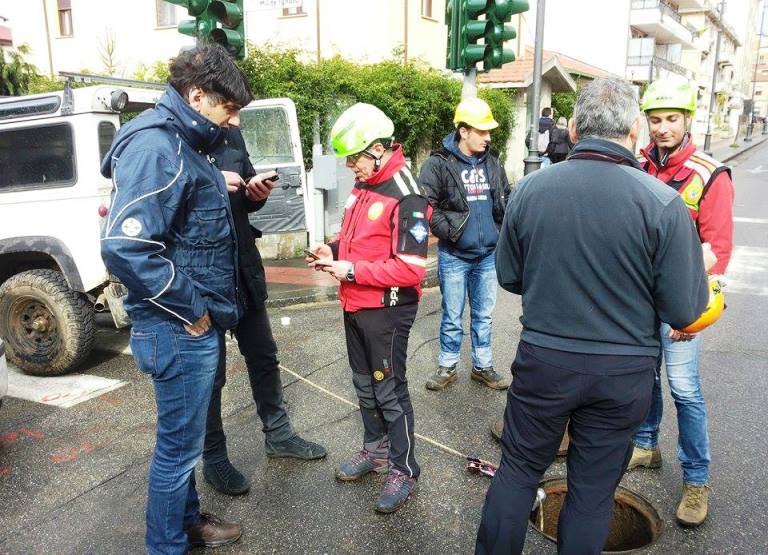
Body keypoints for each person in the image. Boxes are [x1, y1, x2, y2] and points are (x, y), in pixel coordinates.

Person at [476, 77, 710, 555]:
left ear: (576, 128)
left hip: (546, 359)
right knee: (592, 492)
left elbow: (510, 277)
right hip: (623, 372)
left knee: (518, 471)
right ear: (635, 129)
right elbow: (685, 311)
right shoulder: (663, 203)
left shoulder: (530, 189)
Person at [100, 44, 253, 554]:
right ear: (196, 95)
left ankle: (187, 523)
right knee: (177, 452)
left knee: (183, 447)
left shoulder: (183, 142)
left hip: (185, 325)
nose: (231, 123)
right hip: (177, 327)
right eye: (228, 110)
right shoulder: (158, 146)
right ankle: (168, 545)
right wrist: (193, 309)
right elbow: (127, 246)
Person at [307, 103, 430, 514]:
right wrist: (333, 250)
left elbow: (411, 268)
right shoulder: (365, 185)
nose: (348, 166)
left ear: (378, 149)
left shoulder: (406, 192)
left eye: (354, 157)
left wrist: (350, 269)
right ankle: (375, 452)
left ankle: (404, 468)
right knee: (364, 385)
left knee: (390, 391)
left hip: (387, 310)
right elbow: (359, 239)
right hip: (355, 302)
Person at [629, 78, 735, 527]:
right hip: (640, 301)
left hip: (681, 303)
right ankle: (646, 445)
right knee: (644, 377)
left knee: (685, 389)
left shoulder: (710, 174)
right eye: (655, 120)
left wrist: (688, 310)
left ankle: (696, 480)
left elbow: (718, 250)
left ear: (688, 120)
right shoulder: (637, 166)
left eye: (671, 119)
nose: (662, 128)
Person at [202, 123, 327, 496]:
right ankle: (214, 458)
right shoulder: (174, 140)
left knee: (264, 356)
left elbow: (245, 197)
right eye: (232, 108)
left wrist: (257, 193)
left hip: (243, 266)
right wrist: (210, 180)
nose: (238, 119)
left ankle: (279, 435)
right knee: (210, 375)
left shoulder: (233, 136)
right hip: (204, 276)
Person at [418, 97, 510, 392]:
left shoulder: (494, 162)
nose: (488, 137)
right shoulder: (438, 163)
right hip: (455, 255)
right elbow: (425, 206)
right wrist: (451, 233)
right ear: (463, 131)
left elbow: (504, 199)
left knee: (483, 316)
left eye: (488, 131)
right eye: (482, 131)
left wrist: (499, 230)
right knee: (452, 316)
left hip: (487, 257)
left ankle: (482, 366)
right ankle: (447, 366)